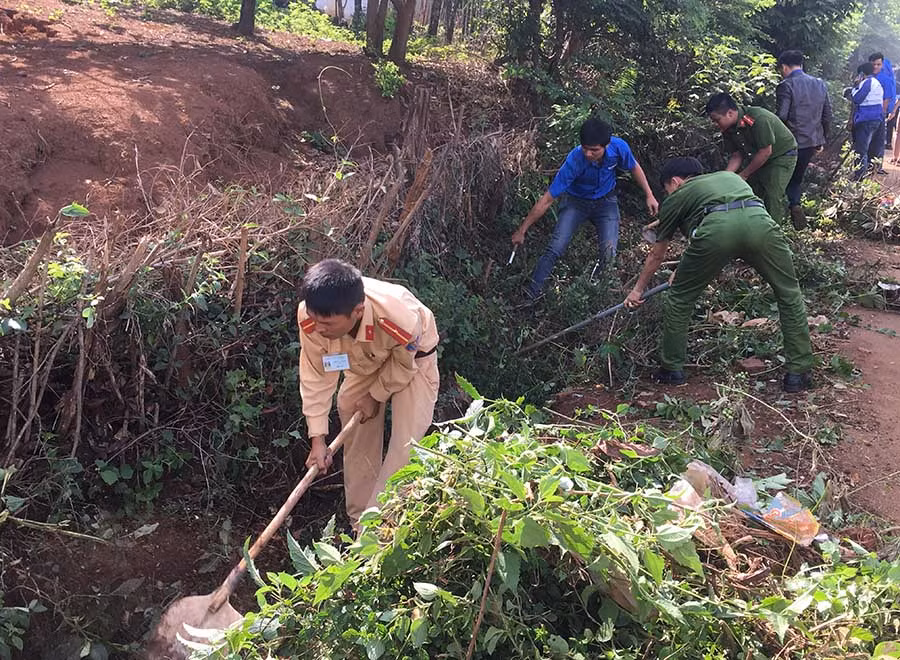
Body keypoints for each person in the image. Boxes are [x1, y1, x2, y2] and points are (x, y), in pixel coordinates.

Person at [624, 157, 814, 393]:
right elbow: (731, 219)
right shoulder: (729, 177)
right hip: (761, 224)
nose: (668, 193)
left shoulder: (677, 196)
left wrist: (638, 289)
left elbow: (657, 254)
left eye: (666, 189)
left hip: (717, 232)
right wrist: (686, 268)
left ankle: (672, 370)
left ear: (674, 182)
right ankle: (799, 373)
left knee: (680, 298)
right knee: (789, 294)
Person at [297, 259, 440, 528]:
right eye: (315, 321)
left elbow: (402, 365)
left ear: (358, 311)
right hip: (366, 357)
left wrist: (376, 396)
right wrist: (318, 439)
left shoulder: (398, 319)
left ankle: (379, 529)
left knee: (406, 443)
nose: (318, 329)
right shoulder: (312, 316)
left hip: (412, 359)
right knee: (350, 404)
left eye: (327, 324)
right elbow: (317, 374)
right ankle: (359, 521)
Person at [511, 117, 658, 301]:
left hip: (606, 202)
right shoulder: (574, 160)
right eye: (585, 148)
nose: (588, 153)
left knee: (609, 253)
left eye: (594, 150)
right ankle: (532, 294)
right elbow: (547, 199)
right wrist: (522, 230)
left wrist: (649, 194)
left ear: (606, 145)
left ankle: (597, 295)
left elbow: (634, 167)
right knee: (555, 247)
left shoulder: (619, 147)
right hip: (576, 202)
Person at [705, 93, 798, 225]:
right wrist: (725, 177)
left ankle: (772, 234)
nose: (715, 124)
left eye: (716, 120)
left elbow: (766, 151)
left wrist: (744, 174)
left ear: (730, 113)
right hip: (757, 157)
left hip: (781, 155)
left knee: (772, 193)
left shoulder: (759, 119)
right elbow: (737, 155)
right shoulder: (727, 128)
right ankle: (752, 227)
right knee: (750, 192)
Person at [775, 50, 833, 230]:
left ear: (784, 67)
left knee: (779, 178)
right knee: (796, 179)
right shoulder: (819, 84)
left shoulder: (786, 85)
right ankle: (795, 205)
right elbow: (827, 115)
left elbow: (782, 116)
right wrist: (822, 140)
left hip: (790, 142)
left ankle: (781, 214)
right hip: (811, 142)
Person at [846, 62, 885, 180]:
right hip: (875, 119)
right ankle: (863, 173)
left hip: (866, 120)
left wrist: (851, 90)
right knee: (866, 148)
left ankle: (858, 177)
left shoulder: (867, 83)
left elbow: (857, 99)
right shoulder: (876, 83)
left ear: (862, 73)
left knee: (861, 150)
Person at [870, 52, 897, 151]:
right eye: (874, 64)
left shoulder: (886, 80)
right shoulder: (866, 76)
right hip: (866, 116)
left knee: (877, 142)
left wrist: (882, 113)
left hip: (879, 115)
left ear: (882, 65)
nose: (876, 67)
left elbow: (887, 99)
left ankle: (875, 165)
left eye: (879, 64)